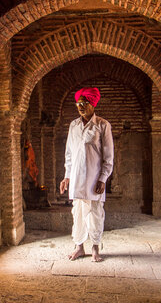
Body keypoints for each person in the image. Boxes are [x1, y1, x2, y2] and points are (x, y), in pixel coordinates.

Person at [59, 87, 114, 262]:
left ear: (93, 103)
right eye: (78, 103)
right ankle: (79, 247)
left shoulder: (103, 125)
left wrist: (103, 178)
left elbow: (108, 156)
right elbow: (69, 153)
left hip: (94, 179)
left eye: (85, 103)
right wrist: (67, 176)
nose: (81, 106)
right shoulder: (73, 125)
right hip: (76, 178)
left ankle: (95, 248)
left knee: (95, 212)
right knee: (78, 213)